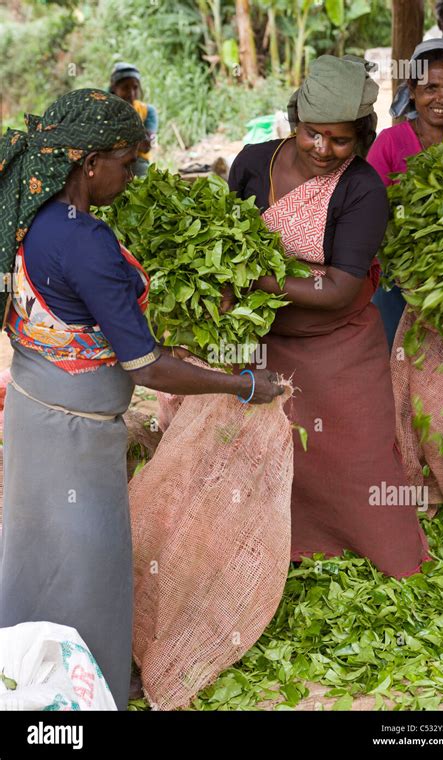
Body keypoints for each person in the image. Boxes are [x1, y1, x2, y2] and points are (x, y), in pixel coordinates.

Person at [0, 89, 282, 711]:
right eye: (127, 163)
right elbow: (148, 365)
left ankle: (30, 666)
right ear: (88, 161)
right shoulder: (84, 242)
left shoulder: (30, 214)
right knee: (89, 554)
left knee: (36, 546)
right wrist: (244, 384)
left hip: (33, 408)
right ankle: (90, 682)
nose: (133, 176)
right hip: (72, 433)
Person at [229, 56, 430, 580]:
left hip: (338, 342)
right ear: (295, 121)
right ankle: (286, 546)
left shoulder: (363, 189)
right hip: (265, 338)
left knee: (358, 458)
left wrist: (260, 283)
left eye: (340, 140)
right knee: (271, 452)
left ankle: (378, 551)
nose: (323, 149)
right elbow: (226, 241)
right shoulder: (253, 163)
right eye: (312, 134)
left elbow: (341, 288)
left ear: (363, 136)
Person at [367, 39, 443, 349]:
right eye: (430, 87)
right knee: (400, 356)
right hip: (400, 280)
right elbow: (370, 212)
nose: (442, 97)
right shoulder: (390, 142)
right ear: (412, 91)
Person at [109, 62, 158, 177]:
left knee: (142, 178)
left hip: (137, 162)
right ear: (114, 89)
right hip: (109, 164)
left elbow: (145, 146)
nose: (131, 93)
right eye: (125, 88)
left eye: (135, 88)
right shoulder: (104, 111)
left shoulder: (148, 111)